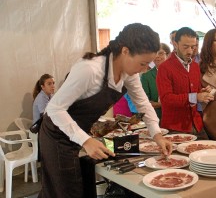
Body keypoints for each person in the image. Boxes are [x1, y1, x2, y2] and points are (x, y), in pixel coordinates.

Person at [38, 23, 172, 198]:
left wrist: (157, 135)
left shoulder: (128, 74)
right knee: (64, 191)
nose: (145, 68)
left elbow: (143, 104)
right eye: (143, 63)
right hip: (57, 134)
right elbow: (54, 109)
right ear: (125, 51)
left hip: (78, 133)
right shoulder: (90, 70)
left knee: (83, 187)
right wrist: (86, 141)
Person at [157, 27, 214, 138]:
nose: (190, 51)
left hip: (196, 124)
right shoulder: (165, 68)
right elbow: (166, 99)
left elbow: (195, 92)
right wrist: (195, 97)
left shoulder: (195, 67)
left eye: (193, 47)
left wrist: (202, 92)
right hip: (175, 127)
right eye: (185, 47)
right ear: (175, 43)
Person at [141, 43, 171, 120]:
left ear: (168, 55)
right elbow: (144, 102)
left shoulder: (177, 74)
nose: (157, 56)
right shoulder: (146, 76)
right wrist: (161, 104)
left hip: (177, 117)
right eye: (155, 53)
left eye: (160, 53)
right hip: (156, 118)